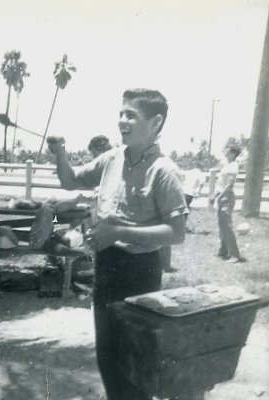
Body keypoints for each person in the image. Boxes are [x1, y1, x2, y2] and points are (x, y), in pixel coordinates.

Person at [48, 88, 188, 400]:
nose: (122, 120)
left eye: (131, 115)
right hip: (107, 268)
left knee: (136, 366)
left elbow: (176, 233)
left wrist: (118, 232)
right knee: (107, 359)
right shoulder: (111, 158)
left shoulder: (163, 170)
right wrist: (60, 154)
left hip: (140, 273)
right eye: (121, 114)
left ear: (156, 122)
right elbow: (70, 180)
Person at [210, 144, 242, 263]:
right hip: (222, 195)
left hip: (226, 196)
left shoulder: (233, 166)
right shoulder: (227, 166)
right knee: (222, 225)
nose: (226, 154)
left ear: (233, 154)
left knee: (226, 226)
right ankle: (223, 250)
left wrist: (219, 196)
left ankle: (234, 255)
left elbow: (229, 185)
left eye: (228, 152)